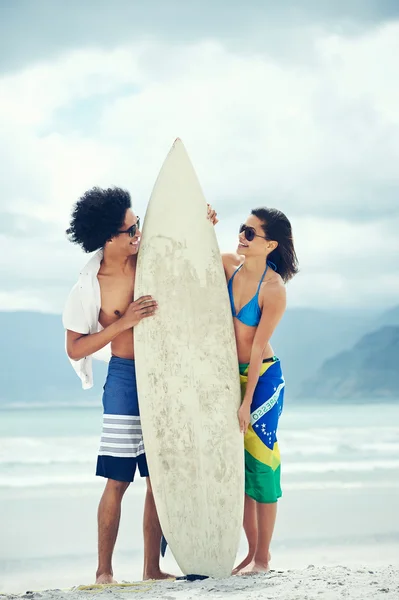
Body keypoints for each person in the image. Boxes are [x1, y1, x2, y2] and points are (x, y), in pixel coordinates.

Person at [62, 186, 168, 583]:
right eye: (130, 230)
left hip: (163, 375)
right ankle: (104, 572)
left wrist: (202, 222)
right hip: (124, 375)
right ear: (108, 237)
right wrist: (124, 322)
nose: (137, 233)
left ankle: (152, 569)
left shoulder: (152, 260)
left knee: (159, 476)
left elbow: (190, 253)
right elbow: (75, 349)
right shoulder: (89, 286)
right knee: (119, 478)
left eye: (137, 224)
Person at [221, 207, 298, 575]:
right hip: (227, 376)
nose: (242, 237)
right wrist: (207, 221)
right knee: (239, 471)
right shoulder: (228, 265)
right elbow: (193, 246)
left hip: (262, 379)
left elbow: (255, 349)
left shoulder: (274, 289)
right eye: (242, 230)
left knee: (262, 465)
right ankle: (251, 554)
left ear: (270, 245)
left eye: (251, 234)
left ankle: (263, 559)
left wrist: (246, 401)